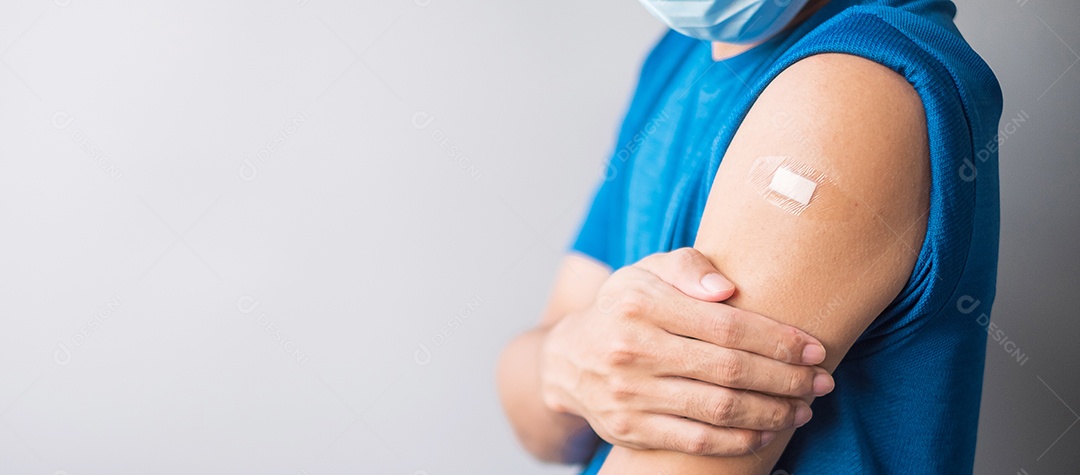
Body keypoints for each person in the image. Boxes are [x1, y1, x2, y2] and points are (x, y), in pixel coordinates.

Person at [497, 0, 1003, 473]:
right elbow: (542, 427)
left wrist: (570, 372)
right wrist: (567, 361)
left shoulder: (846, 91)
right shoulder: (677, 57)